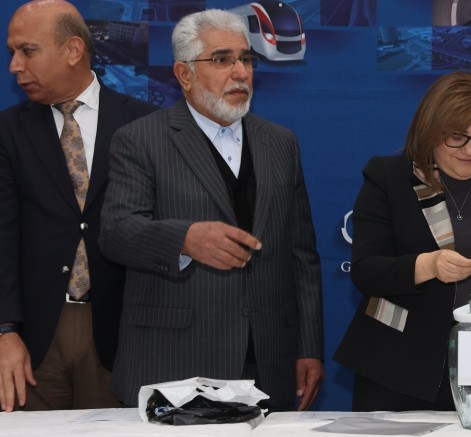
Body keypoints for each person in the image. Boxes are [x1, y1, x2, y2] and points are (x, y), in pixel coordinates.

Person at [99, 9, 323, 411]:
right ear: (184, 74)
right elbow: (116, 232)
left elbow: (301, 255)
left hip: (268, 359)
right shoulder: (140, 139)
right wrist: (184, 240)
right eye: (222, 59)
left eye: (245, 59)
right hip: (176, 360)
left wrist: (309, 347)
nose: (240, 72)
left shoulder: (281, 142)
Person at [333, 71, 471, 411]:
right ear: (431, 129)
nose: (470, 150)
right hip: (395, 366)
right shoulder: (388, 178)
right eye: (457, 137)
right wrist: (427, 265)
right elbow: (366, 271)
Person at [0, 0, 156, 412]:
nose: (15, 66)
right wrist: (4, 331)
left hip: (123, 337)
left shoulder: (147, 125)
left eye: (27, 51)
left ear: (72, 50)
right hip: (32, 341)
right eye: (12, 53)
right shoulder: (7, 131)